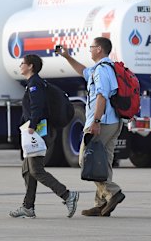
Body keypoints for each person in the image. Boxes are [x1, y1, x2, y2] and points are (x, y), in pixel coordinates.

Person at [58, 37, 125, 217]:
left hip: (102, 122)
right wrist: (67, 56)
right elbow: (83, 71)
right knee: (104, 163)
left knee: (86, 160)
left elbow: (102, 97)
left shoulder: (102, 71)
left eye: (92, 47)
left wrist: (95, 121)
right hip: (113, 121)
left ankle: (113, 192)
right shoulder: (102, 68)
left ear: (100, 50)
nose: (90, 49)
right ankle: (101, 204)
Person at [9, 54, 79, 218]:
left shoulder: (35, 84)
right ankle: (28, 207)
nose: (20, 66)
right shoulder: (33, 83)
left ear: (30, 66)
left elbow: (37, 107)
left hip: (38, 131)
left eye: (22, 63)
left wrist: (32, 126)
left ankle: (68, 195)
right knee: (28, 170)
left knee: (36, 170)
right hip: (34, 130)